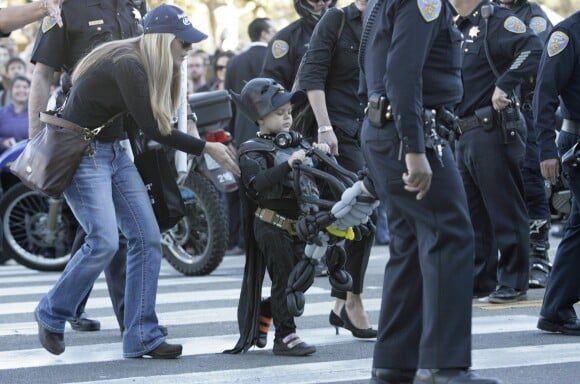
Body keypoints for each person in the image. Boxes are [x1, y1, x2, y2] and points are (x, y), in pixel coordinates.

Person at [34, 3, 240, 358]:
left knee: (147, 239)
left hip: (113, 151)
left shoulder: (140, 57)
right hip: (83, 155)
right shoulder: (129, 64)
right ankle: (52, 312)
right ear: (162, 41)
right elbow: (155, 128)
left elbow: (147, 124)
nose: (189, 50)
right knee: (103, 242)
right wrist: (207, 148)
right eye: (184, 43)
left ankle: (141, 335)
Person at [359, 0, 502, 382]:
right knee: (449, 237)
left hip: (384, 129)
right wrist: (414, 149)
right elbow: (403, 74)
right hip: (413, 132)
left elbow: (373, 69)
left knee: (409, 247)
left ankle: (394, 362)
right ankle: (445, 366)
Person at [28, 0, 149, 334]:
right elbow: (42, 75)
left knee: (127, 235)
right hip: (82, 140)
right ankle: (70, 309)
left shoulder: (135, 5)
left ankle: (135, 324)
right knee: (104, 237)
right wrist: (36, 140)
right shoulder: (65, 7)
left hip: (127, 135)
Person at [453, 0, 543, 304]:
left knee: (504, 208)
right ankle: (481, 279)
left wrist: (505, 84)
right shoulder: (459, 26)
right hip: (463, 131)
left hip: (491, 129)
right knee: (474, 214)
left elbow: (532, 48)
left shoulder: (497, 19)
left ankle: (514, 279)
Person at [226, 77, 324, 356]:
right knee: (285, 279)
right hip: (271, 225)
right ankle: (285, 336)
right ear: (260, 117)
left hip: (299, 226)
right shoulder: (251, 150)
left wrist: (320, 154)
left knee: (303, 277)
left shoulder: (295, 143)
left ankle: (267, 310)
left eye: (289, 113)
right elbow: (256, 184)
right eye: (279, 113)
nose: (287, 118)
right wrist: (288, 166)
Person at [297, 0, 377, 339]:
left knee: (357, 219)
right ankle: (352, 300)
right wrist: (324, 128)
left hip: (373, 131)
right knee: (363, 218)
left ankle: (341, 303)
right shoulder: (336, 19)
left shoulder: (387, 19)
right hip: (339, 133)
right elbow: (312, 76)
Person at [497, 0, 554, 289]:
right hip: (491, 114)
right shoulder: (487, 11)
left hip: (525, 109)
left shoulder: (534, 17)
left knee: (530, 179)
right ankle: (506, 260)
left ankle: (538, 257)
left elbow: (539, 59)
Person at [534, 11, 580, 336]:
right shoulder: (567, 34)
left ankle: (556, 308)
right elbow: (544, 94)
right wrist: (547, 151)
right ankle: (555, 309)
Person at [223, 17, 276, 256]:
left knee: (246, 188)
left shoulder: (234, 62)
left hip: (242, 130)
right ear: (265, 34)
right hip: (272, 127)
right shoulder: (273, 55)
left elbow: (230, 100)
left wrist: (231, 133)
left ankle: (244, 239)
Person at [261, 0, 336, 91]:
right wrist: (287, 103)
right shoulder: (287, 37)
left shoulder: (348, 29)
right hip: (304, 102)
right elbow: (272, 78)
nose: (321, 3)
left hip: (347, 102)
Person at [0, 75, 29, 154]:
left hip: (27, 162)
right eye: (17, 87)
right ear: (11, 90)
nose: (21, 90)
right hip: (3, 162)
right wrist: (3, 142)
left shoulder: (34, 115)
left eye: (25, 87)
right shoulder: (1, 113)